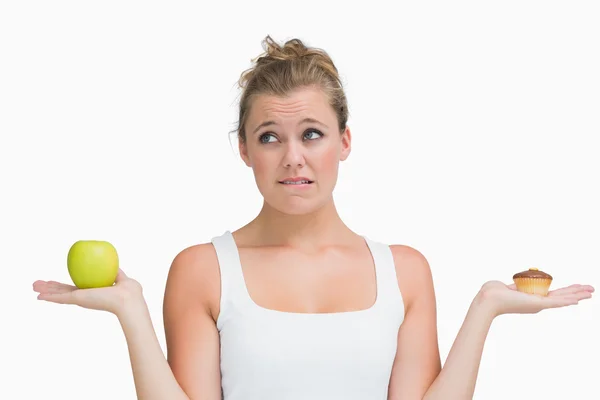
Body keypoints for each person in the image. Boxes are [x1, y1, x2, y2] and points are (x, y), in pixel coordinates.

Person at [33, 36, 594, 400]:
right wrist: (130, 313)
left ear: (344, 142)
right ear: (245, 150)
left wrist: (486, 308)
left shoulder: (404, 271)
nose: (293, 157)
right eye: (270, 137)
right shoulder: (203, 269)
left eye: (312, 134)